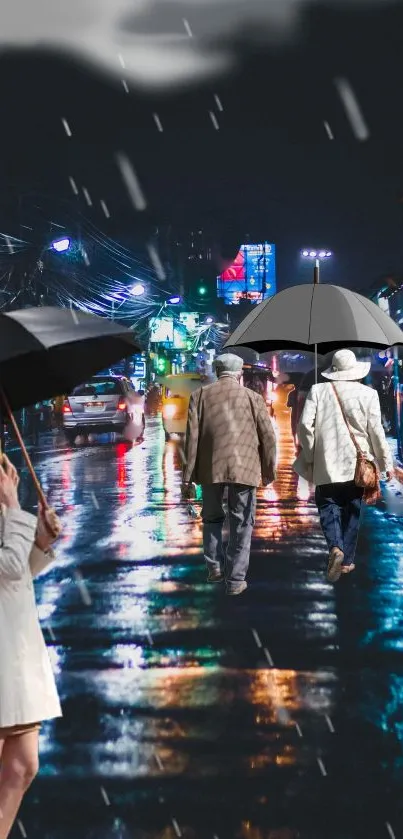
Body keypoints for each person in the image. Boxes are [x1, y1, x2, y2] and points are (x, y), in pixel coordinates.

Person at [0, 455, 62, 839]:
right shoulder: (8, 508)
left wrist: (39, 542)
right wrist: (15, 509)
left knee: (23, 765)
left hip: (15, 650)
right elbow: (7, 567)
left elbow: (16, 575)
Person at [295, 349, 394, 583]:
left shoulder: (318, 391)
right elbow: (376, 432)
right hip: (357, 464)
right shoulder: (368, 394)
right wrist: (385, 463)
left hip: (326, 463)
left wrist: (310, 454)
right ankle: (347, 559)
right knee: (353, 508)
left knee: (327, 504)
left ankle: (335, 548)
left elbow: (304, 426)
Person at [182, 353, 277, 595]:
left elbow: (191, 439)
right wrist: (268, 470)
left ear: (216, 371)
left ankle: (214, 567)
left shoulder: (200, 396)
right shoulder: (253, 398)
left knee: (212, 518)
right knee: (242, 522)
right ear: (239, 374)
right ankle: (235, 580)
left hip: (210, 468)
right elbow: (268, 437)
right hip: (244, 467)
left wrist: (188, 477)